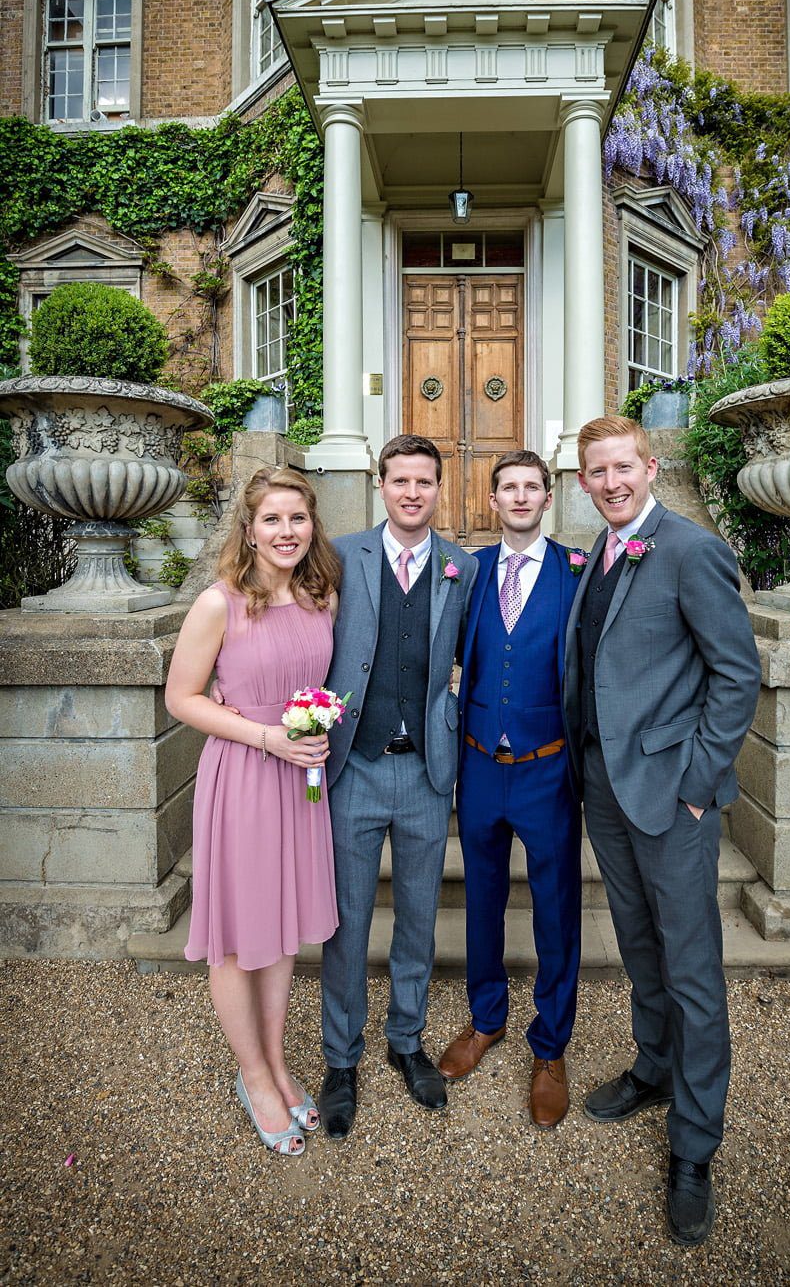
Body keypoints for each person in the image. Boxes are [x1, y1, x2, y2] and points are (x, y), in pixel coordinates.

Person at [563, 415, 760, 1246]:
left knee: (691, 966)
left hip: (668, 790)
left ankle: (693, 1144)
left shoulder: (685, 548)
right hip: (603, 784)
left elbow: (736, 672)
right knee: (639, 942)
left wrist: (697, 783)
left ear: (649, 467)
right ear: (583, 482)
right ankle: (651, 1066)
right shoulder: (598, 555)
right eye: (596, 472)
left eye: (622, 468)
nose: (610, 482)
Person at [165, 466, 341, 1157]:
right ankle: (253, 1076)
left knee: (284, 928)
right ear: (248, 527)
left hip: (300, 782)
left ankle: (274, 1060)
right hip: (244, 772)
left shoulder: (318, 596)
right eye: (272, 519)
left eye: (297, 519)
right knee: (240, 937)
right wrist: (266, 735)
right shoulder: (219, 602)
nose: (286, 531)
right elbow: (183, 699)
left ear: (310, 525)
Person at [317, 434, 478, 1140]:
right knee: (346, 922)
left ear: (439, 489)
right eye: (400, 480)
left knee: (417, 918)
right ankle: (340, 1058)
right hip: (352, 764)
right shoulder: (340, 556)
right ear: (380, 484)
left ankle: (405, 1039)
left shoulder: (461, 567)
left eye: (424, 481)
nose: (412, 492)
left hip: (423, 768)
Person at [438, 450, 582, 1128]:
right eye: (508, 489)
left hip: (547, 768)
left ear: (546, 498)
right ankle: (485, 1018)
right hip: (478, 767)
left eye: (531, 487)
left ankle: (550, 1048)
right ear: (492, 501)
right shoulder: (467, 573)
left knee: (556, 911)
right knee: (482, 902)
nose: (520, 497)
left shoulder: (576, 572)